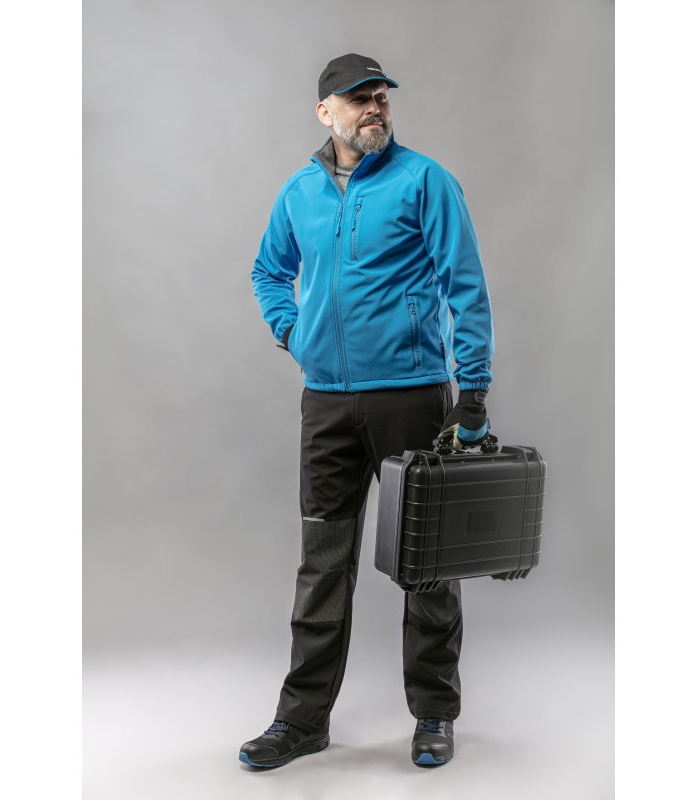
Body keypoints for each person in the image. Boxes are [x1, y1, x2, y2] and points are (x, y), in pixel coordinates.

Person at [243, 53, 495, 769]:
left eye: (381, 96)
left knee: (427, 566)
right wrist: (294, 332)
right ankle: (302, 721)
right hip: (326, 403)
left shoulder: (425, 180)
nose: (375, 108)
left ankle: (435, 713)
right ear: (326, 112)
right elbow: (268, 271)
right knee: (321, 565)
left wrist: (472, 392)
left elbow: (465, 285)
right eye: (359, 99)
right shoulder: (298, 192)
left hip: (413, 397)